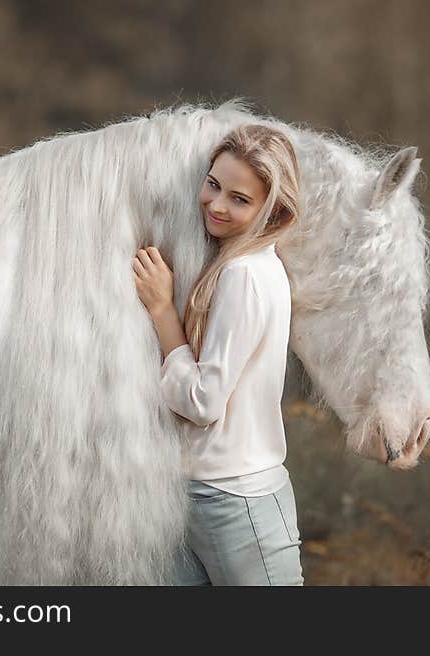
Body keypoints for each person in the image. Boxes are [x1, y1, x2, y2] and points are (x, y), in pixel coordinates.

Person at [131, 124, 303, 586]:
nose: (217, 204)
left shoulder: (245, 275)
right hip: (206, 499)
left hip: (237, 506)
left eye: (240, 199)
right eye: (213, 185)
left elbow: (203, 402)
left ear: (272, 209)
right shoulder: (239, 266)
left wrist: (163, 310)